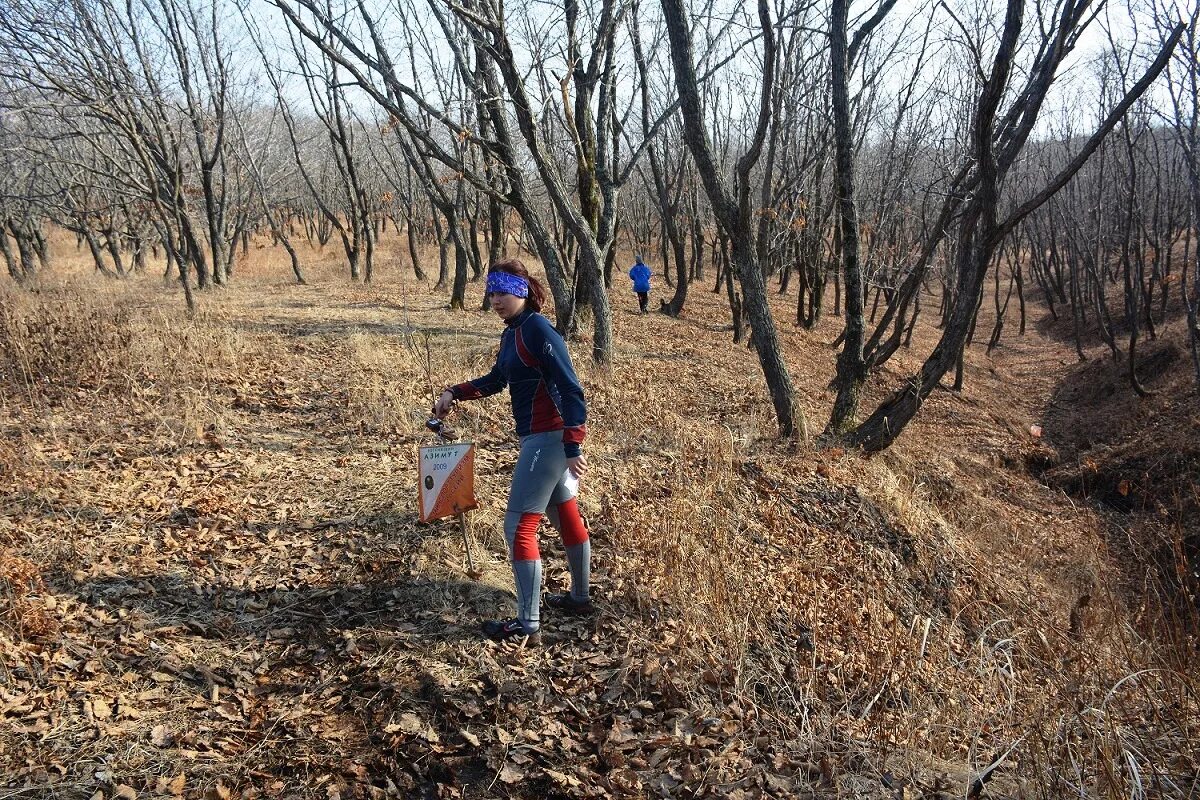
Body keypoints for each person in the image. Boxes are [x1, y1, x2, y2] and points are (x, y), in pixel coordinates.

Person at [432, 259, 594, 645]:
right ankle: (579, 599)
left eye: (502, 292)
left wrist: (573, 444)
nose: (495, 300)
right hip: (540, 440)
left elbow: (571, 389)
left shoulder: (539, 330)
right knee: (564, 512)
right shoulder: (512, 335)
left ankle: (528, 624)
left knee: (518, 526)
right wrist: (455, 392)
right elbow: (497, 380)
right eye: (490, 293)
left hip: (548, 440)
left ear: (521, 292)